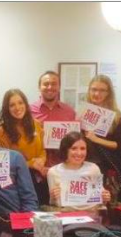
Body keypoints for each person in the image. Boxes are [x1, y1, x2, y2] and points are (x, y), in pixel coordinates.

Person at [29, 71, 76, 204]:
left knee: (62, 213)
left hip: (62, 173)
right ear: (39, 87)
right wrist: (39, 166)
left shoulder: (69, 112)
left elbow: (73, 143)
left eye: (54, 84)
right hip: (35, 173)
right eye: (46, 84)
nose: (50, 87)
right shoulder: (28, 111)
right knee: (37, 211)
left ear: (59, 87)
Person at [0, 89, 46, 196]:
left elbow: (42, 149)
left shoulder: (36, 124)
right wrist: (31, 164)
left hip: (39, 178)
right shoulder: (1, 131)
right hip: (17, 182)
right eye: (12, 105)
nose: (17, 108)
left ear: (26, 104)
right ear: (7, 109)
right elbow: (5, 164)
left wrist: (41, 160)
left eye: (20, 103)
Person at [83, 75, 121, 200]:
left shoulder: (116, 116)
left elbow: (119, 145)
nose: (97, 93)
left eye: (102, 90)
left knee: (104, 202)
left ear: (108, 93)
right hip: (84, 164)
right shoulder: (82, 112)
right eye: (94, 89)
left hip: (105, 166)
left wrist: (96, 139)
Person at [47, 132, 111, 209]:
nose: (79, 153)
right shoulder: (53, 172)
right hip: (67, 215)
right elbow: (54, 204)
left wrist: (105, 197)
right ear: (65, 150)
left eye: (83, 148)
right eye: (74, 148)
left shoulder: (93, 168)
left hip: (94, 214)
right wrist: (53, 197)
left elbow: (101, 200)